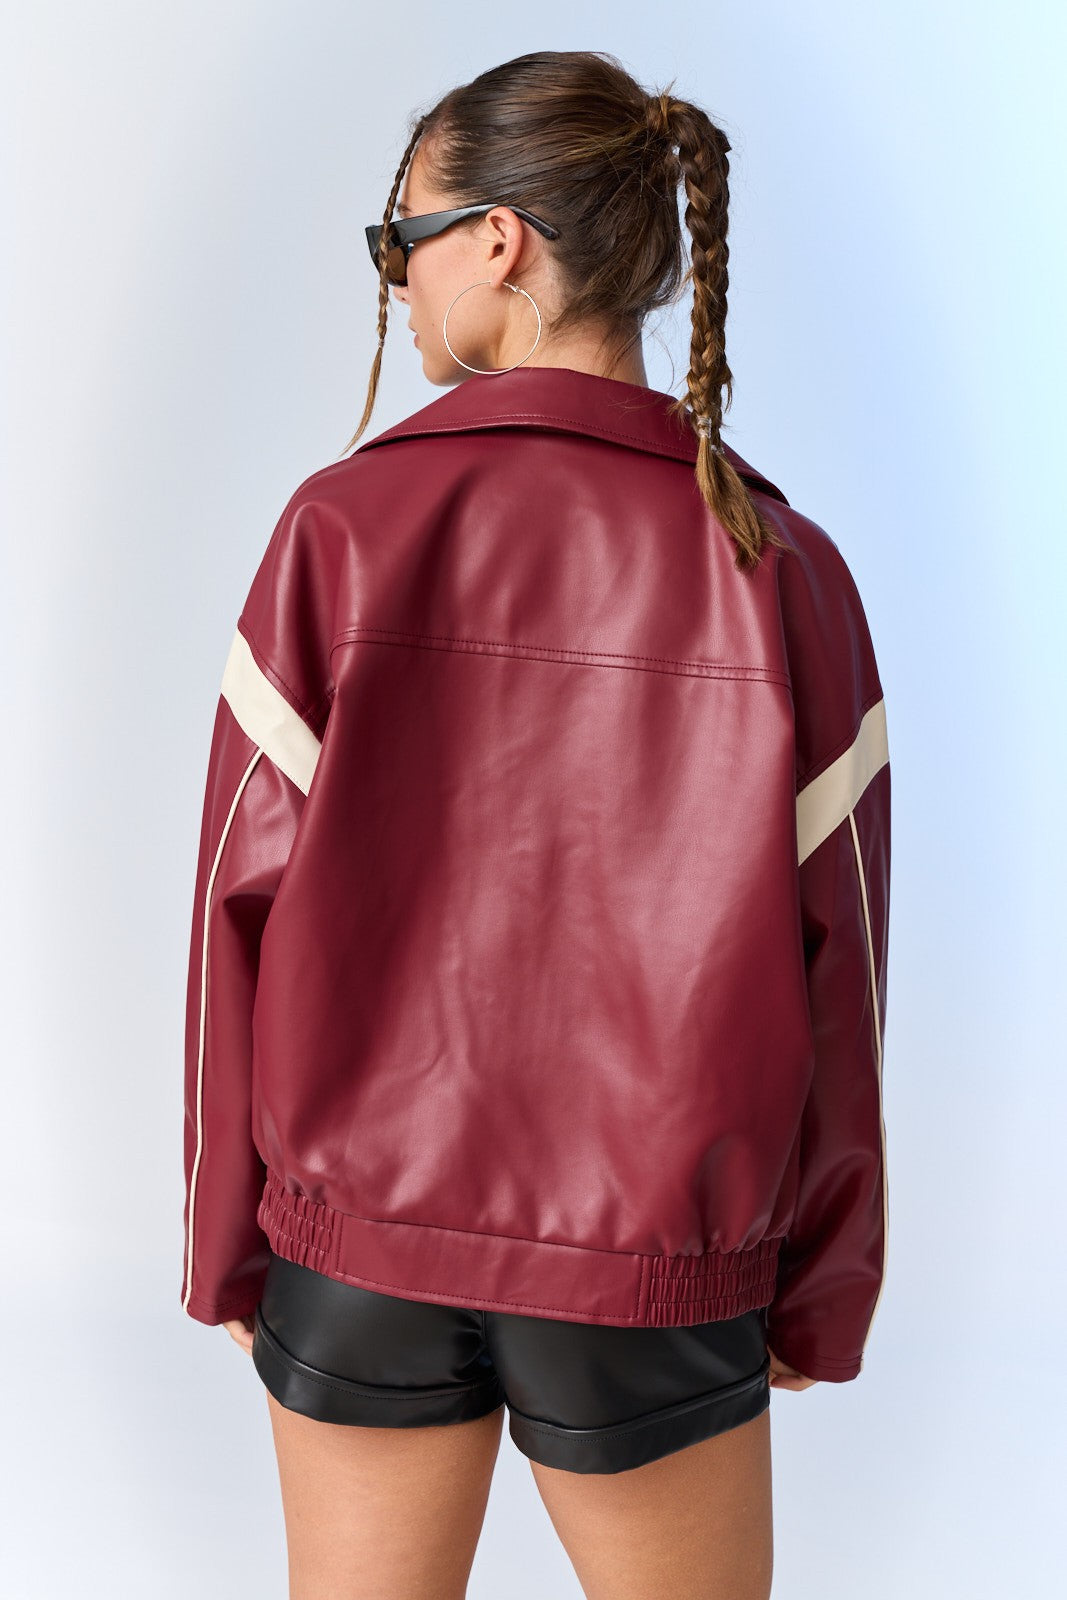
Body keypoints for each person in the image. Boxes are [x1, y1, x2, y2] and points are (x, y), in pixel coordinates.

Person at [180, 50, 891, 1600]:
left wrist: (227, 1235)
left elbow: (236, 908)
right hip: (654, 1269)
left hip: (358, 1247)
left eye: (402, 239)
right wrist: (823, 1281)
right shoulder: (784, 568)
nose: (399, 281)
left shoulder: (337, 530)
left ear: (498, 241)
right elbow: (842, 957)